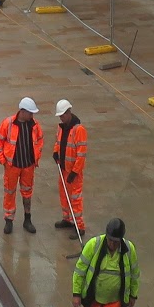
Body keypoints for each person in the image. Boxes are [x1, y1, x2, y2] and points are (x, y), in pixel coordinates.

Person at [0, 96, 43, 234]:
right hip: (12, 165)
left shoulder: (34, 125)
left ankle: (27, 219)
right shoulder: (8, 123)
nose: (32, 115)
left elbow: (39, 141)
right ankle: (9, 220)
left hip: (28, 165)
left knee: (27, 192)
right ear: (23, 111)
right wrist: (3, 160)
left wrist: (36, 157)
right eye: (30, 112)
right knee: (9, 192)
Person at [52, 99, 87, 239]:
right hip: (64, 168)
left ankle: (79, 226)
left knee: (75, 198)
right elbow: (58, 141)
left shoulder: (79, 130)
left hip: (73, 172)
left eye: (63, 115)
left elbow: (81, 153)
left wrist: (75, 171)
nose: (61, 117)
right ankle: (67, 219)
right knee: (64, 194)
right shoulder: (61, 127)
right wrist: (56, 152)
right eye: (60, 115)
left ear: (68, 112)